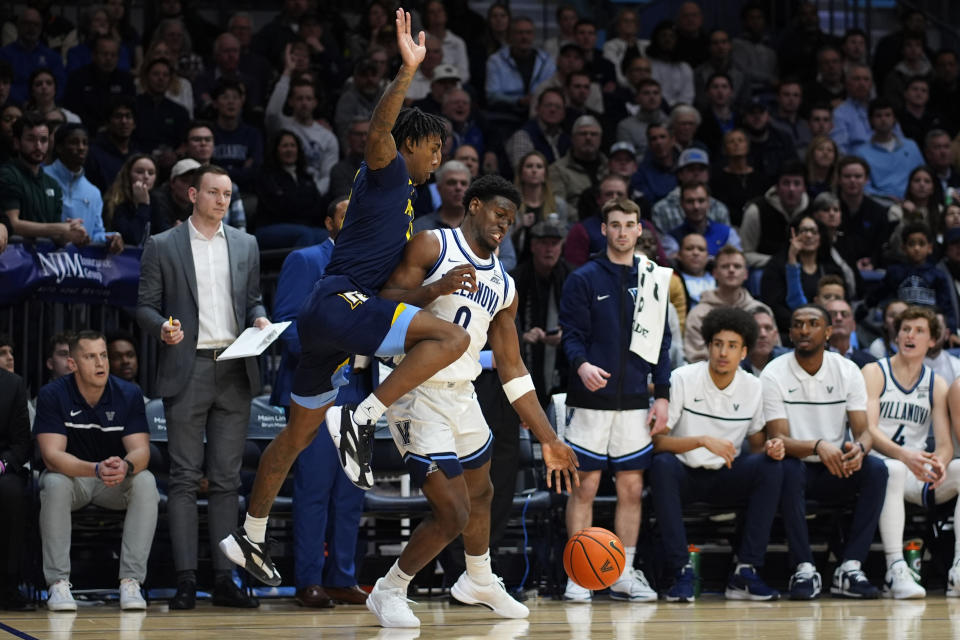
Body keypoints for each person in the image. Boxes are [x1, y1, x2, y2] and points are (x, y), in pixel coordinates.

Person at [219, 10, 479, 587]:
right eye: (433, 146)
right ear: (410, 144)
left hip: (331, 321)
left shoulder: (406, 199)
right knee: (453, 337)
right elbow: (380, 128)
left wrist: (432, 288)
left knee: (296, 436)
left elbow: (392, 293)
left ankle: (250, 536)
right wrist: (408, 70)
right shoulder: (386, 171)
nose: (439, 157)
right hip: (340, 304)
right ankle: (364, 417)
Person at [365, 174, 578, 627]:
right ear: (475, 205)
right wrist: (434, 291)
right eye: (500, 214)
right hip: (416, 392)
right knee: (453, 511)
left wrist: (549, 439)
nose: (505, 225)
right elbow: (382, 305)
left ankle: (478, 578)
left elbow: (512, 367)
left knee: (481, 493)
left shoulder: (504, 284)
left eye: (512, 220)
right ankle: (389, 589)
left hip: (463, 393)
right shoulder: (432, 245)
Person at [135, 165, 267, 610]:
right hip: (186, 366)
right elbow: (145, 308)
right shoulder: (162, 245)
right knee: (186, 479)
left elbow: (251, 300)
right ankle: (187, 578)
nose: (222, 200)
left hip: (234, 365)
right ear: (193, 194)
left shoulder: (247, 244)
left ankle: (226, 578)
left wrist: (260, 317)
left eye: (228, 193)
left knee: (228, 480)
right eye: (213, 192)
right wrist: (161, 329)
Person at [559, 196, 670, 603]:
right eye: (615, 225)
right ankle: (579, 573)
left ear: (641, 229)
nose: (623, 232)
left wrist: (664, 396)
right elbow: (570, 335)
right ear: (603, 230)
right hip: (590, 401)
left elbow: (663, 341)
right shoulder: (583, 278)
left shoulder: (655, 278)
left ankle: (623, 572)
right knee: (584, 487)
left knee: (631, 488)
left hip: (638, 401)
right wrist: (582, 365)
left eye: (630, 224)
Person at [268, 198, 367, 608]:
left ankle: (342, 577)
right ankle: (308, 579)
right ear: (329, 222)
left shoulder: (375, 265)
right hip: (315, 389)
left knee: (351, 491)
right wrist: (334, 348)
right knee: (313, 489)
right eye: (346, 214)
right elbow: (286, 327)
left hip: (360, 391)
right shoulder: (305, 260)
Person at [653, 307, 783, 601]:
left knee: (771, 468)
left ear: (744, 351)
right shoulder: (683, 378)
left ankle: (745, 571)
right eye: (718, 344)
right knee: (661, 465)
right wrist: (701, 441)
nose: (723, 352)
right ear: (708, 346)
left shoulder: (753, 387)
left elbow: (760, 445)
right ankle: (680, 570)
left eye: (732, 346)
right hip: (684, 475)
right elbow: (658, 442)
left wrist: (773, 449)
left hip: (726, 475)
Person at [763, 305, 887, 600]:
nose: (804, 330)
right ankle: (804, 567)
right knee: (786, 468)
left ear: (828, 332)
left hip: (835, 468)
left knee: (877, 470)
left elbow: (864, 431)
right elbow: (778, 437)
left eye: (813, 323)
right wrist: (817, 446)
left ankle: (850, 566)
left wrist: (858, 449)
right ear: (790, 332)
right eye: (797, 324)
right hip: (798, 467)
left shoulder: (847, 370)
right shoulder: (773, 373)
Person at [34, 330, 158, 612]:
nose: (100, 363)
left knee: (145, 481)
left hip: (111, 482)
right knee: (53, 483)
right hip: (75, 480)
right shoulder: (52, 394)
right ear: (73, 364)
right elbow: (52, 456)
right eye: (90, 357)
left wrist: (125, 466)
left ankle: (131, 581)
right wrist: (95, 468)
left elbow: (142, 451)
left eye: (103, 355)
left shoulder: (129, 393)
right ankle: (58, 584)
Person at [864, 306, 959, 598]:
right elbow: (868, 430)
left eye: (919, 331)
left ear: (933, 341)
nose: (910, 335)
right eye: (905, 329)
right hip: (877, 466)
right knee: (891, 468)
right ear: (896, 335)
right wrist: (905, 457)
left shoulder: (936, 383)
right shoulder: (874, 371)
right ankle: (896, 568)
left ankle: (957, 569)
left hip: (915, 470)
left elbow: (944, 443)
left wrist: (939, 465)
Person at [0, 111, 87, 247]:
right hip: (12, 260)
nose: (38, 146)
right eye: (31, 139)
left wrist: (73, 234)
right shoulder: (7, 175)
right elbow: (12, 224)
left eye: (43, 140)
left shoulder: (52, 183)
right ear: (16, 143)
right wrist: (60, 228)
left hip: (43, 264)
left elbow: (55, 236)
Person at [513, 220, 572, 406]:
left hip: (563, 367)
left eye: (554, 243)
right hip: (523, 362)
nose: (549, 249)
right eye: (543, 243)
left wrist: (566, 335)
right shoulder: (515, 279)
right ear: (532, 246)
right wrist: (522, 336)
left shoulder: (573, 278)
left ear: (561, 247)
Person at [761, 214, 848, 339]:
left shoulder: (831, 268)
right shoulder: (777, 266)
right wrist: (803, 325)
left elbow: (844, 303)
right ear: (793, 235)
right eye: (803, 231)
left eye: (813, 231)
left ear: (820, 237)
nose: (808, 235)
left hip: (829, 330)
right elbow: (776, 306)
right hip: (787, 332)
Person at [44, 123, 123, 252]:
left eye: (85, 143)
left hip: (79, 268)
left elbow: (95, 234)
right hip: (43, 261)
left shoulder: (93, 192)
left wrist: (112, 237)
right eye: (74, 142)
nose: (81, 148)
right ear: (59, 147)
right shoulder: (42, 178)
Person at [684, 246, 770, 362]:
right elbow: (696, 359)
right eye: (725, 266)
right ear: (714, 273)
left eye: (737, 266)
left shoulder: (761, 310)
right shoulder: (699, 314)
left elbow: (774, 352)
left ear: (746, 274)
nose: (731, 270)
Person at [869, 223, 956, 334]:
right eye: (912, 244)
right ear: (903, 248)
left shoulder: (938, 275)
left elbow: (947, 307)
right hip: (901, 325)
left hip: (930, 325)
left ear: (930, 248)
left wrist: (952, 331)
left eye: (921, 244)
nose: (916, 248)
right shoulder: (894, 272)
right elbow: (879, 296)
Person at [253, 130, 326, 249]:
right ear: (276, 150)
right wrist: (302, 205)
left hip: (303, 225)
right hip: (270, 227)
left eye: (293, 146)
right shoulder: (266, 176)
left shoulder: (305, 177)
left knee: (329, 235)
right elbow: (280, 208)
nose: (289, 150)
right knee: (304, 234)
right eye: (285, 146)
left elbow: (317, 206)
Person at [0, 358, 32, 611]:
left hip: (1, 467)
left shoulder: (12, 384)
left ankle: (8, 586)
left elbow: (21, 443)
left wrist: (1, 465)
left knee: (11, 490)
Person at [741, 161, 810, 268]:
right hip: (766, 268)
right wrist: (779, 263)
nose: (791, 189)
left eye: (797, 183)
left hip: (804, 267)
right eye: (786, 183)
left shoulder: (812, 209)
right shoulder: (756, 210)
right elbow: (745, 253)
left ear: (804, 188)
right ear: (777, 187)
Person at [853, 99, 925, 201]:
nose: (883, 119)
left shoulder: (911, 146)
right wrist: (885, 198)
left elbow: (924, 174)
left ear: (894, 119)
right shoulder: (861, 153)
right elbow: (864, 186)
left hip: (913, 201)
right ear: (871, 120)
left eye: (887, 115)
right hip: (880, 203)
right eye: (878, 116)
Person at [710, 129, 767, 227]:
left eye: (740, 140)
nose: (736, 144)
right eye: (731, 141)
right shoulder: (717, 179)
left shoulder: (761, 178)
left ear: (747, 146)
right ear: (724, 149)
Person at [104, 153, 162, 246]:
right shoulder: (117, 202)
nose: (146, 176)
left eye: (151, 173)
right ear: (128, 175)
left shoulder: (156, 201)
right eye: (139, 172)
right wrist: (143, 205)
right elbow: (132, 239)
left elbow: (163, 234)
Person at [85, 95, 139, 193]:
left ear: (134, 124)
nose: (124, 121)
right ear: (108, 122)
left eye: (128, 116)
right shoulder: (93, 154)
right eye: (118, 116)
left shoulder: (138, 155)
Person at [667, 182, 739, 256]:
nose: (696, 207)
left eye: (701, 200)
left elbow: (738, 262)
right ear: (682, 204)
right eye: (690, 201)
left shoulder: (728, 233)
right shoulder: (672, 238)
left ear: (709, 202)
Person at [826, 299, 877, 368]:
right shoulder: (814, 359)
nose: (839, 318)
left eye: (845, 314)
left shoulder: (870, 363)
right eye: (832, 314)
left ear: (854, 325)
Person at [743, 306, 787, 375]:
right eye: (756, 328)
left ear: (775, 335)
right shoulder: (735, 364)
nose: (763, 334)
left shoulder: (788, 359)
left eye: (768, 328)